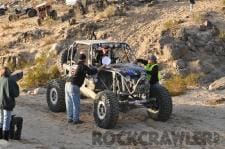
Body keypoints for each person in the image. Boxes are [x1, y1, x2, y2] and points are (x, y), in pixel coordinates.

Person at [65, 53, 99, 124]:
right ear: (84, 59)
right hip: (74, 85)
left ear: (78, 59)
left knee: (69, 103)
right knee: (76, 104)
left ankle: (70, 118)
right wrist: (96, 69)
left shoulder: (74, 65)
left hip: (67, 84)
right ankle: (76, 120)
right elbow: (91, 72)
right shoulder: (82, 66)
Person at [0, 66, 19, 141]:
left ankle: (0, 136)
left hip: (0, 103)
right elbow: (16, 94)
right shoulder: (10, 81)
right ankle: (5, 138)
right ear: (9, 72)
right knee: (6, 120)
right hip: (7, 103)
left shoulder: (0, 79)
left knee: (1, 119)